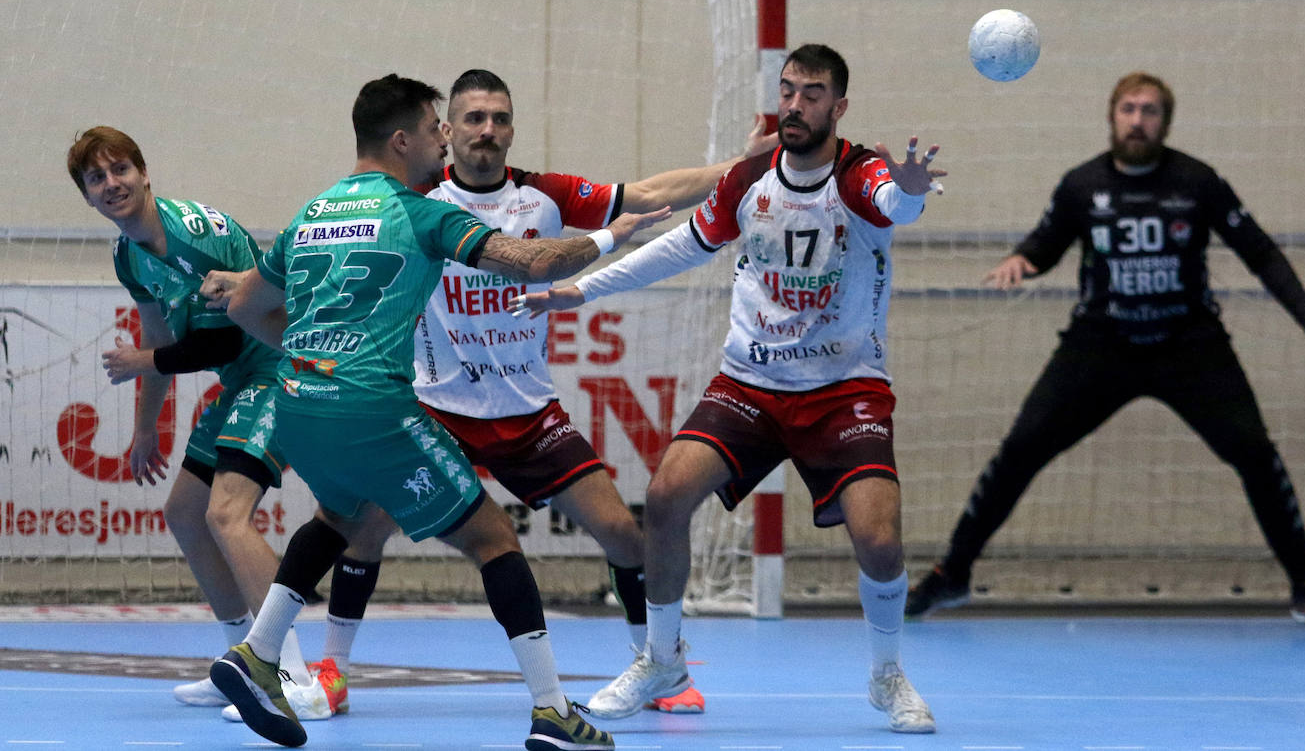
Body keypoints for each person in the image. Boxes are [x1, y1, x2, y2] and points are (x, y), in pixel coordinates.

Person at [277, 67, 776, 721]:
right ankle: (332, 672)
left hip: (528, 412)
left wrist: (741, 166)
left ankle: (656, 665)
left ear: (512, 130)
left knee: (624, 534)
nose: (488, 130)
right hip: (439, 409)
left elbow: (649, 192)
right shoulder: (416, 204)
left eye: (500, 119)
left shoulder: (544, 197)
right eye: (474, 119)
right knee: (363, 525)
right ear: (447, 131)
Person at [201, 73, 670, 750]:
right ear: (401, 141)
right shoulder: (420, 211)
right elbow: (530, 261)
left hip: (298, 402)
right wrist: (609, 238)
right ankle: (552, 714)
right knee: (495, 542)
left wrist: (312, 355)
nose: (443, 140)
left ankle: (255, 654)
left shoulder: (310, 214)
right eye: (434, 128)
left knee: (339, 517)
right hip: (373, 407)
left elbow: (246, 307)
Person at [511, 44, 945, 734]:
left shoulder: (860, 174)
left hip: (842, 388)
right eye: (788, 90)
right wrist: (580, 292)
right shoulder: (750, 179)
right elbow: (683, 245)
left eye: (813, 93)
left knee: (880, 541)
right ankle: (662, 660)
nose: (795, 104)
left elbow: (895, 205)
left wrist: (912, 188)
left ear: (839, 107)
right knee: (664, 496)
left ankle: (887, 674)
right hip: (751, 382)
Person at [904, 72, 1305, 630]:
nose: (1138, 120)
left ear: (1165, 122)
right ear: (1111, 116)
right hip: (1101, 347)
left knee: (1256, 455)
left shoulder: (1198, 182)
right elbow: (1047, 242)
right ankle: (952, 573)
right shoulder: (1081, 185)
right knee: (1021, 449)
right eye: (1128, 108)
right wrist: (1023, 260)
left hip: (1190, 347)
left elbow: (1259, 251)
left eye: (1149, 111)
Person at [65, 127, 327, 713]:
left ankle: (290, 675)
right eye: (97, 178)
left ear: (145, 173)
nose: (112, 184)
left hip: (282, 368)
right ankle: (240, 660)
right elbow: (157, 338)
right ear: (86, 196)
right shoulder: (128, 256)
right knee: (185, 513)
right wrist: (144, 429)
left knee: (227, 514)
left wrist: (143, 361)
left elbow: (215, 345)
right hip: (244, 380)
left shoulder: (196, 238)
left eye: (121, 170)